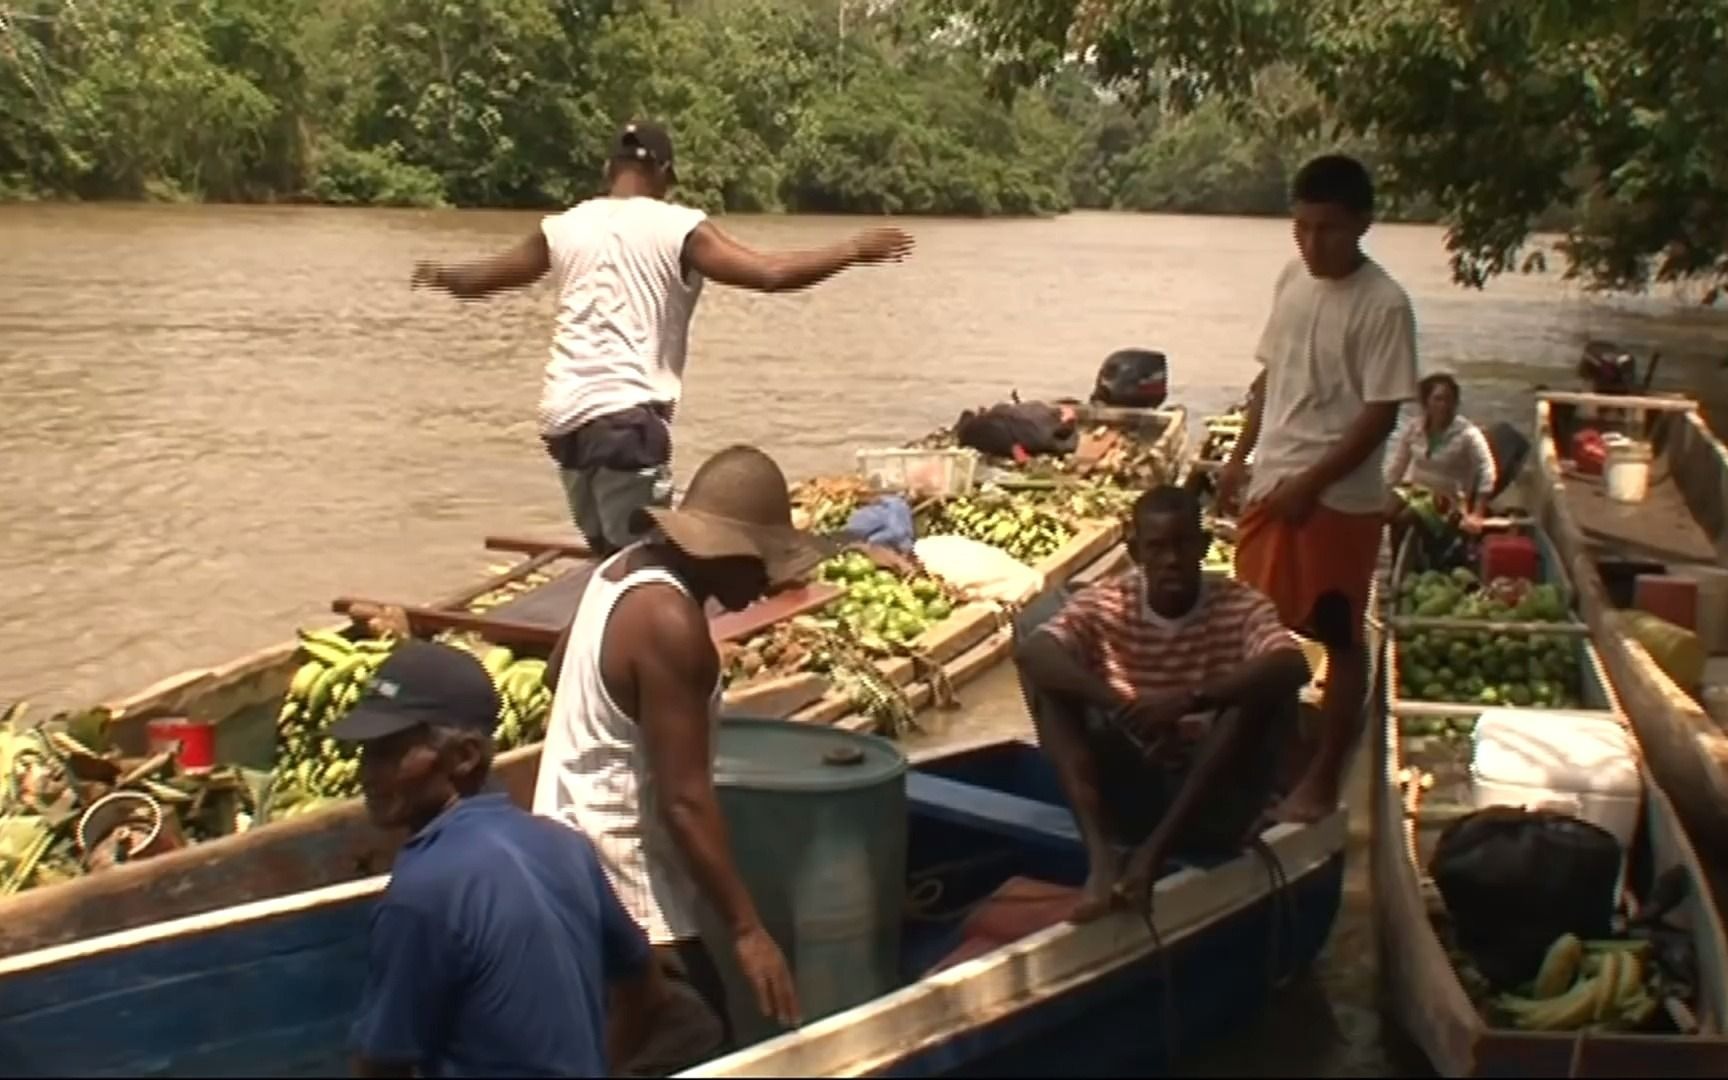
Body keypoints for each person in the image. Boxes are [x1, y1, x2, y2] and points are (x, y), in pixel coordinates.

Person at [410, 121, 915, 556]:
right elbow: (770, 274)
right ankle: (642, 648)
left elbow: (485, 279)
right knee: (647, 567)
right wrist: (853, 249)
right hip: (625, 420)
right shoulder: (680, 228)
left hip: (563, 420)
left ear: (610, 170)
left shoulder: (565, 226)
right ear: (665, 175)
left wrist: (442, 275)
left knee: (609, 549)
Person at [535, 444, 830, 1074]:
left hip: (563, 874)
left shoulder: (616, 573)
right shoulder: (669, 621)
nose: (764, 589)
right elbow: (685, 801)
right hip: (634, 898)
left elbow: (556, 673)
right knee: (694, 1040)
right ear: (724, 550)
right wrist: (749, 931)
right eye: (759, 569)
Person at [339, 640, 679, 1079]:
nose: (367, 772)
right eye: (367, 752)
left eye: (389, 753)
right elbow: (647, 992)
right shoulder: (563, 846)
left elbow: (382, 1067)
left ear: (464, 757)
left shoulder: (422, 891)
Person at [1216, 153, 1420, 825]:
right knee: (1255, 632)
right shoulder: (1291, 281)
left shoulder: (1384, 304)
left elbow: (1381, 412)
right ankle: (1261, 759)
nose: (1311, 244)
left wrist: (1313, 481)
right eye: (1300, 228)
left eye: (1327, 230)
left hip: (1339, 500)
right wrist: (1239, 457)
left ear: (1362, 223)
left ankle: (1324, 778)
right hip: (1274, 485)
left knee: (1338, 634)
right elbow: (1270, 379)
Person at [1013, 486, 1312, 922]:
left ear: (1204, 547)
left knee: (1258, 694)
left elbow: (1292, 664)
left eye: (1183, 544)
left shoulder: (1240, 605)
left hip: (1212, 797)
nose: (1171, 560)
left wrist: (1191, 700)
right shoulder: (1109, 601)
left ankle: (1150, 857)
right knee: (1050, 683)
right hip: (1136, 788)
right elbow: (1034, 653)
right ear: (1136, 552)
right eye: (1157, 547)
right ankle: (1103, 858)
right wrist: (1121, 709)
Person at [1383, 372, 1499, 550]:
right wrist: (1382, 493)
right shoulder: (1415, 429)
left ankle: (1405, 561)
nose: (1444, 405)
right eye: (1438, 399)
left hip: (1447, 500)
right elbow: (1397, 467)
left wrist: (1477, 513)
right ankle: (1394, 566)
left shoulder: (1467, 434)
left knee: (1406, 517)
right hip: (1416, 491)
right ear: (1426, 402)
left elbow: (1487, 470)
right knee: (1384, 512)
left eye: (1449, 400)